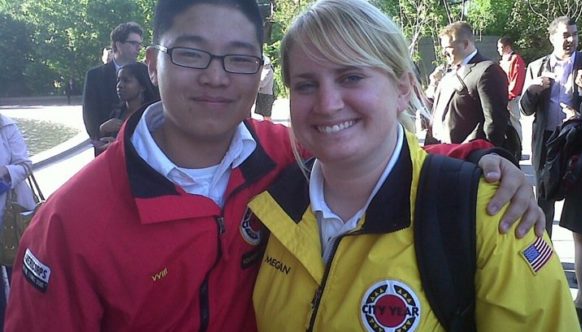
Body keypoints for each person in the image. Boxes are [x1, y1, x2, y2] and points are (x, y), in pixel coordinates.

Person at [5, 0, 545, 331]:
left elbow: (376, 152)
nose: (218, 77)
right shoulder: (70, 224)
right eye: (191, 54)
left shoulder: (280, 156)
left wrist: (483, 161)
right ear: (152, 62)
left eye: (239, 59)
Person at [249, 1, 578, 331]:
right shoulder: (276, 201)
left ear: (402, 89)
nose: (327, 103)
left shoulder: (491, 214)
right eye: (306, 84)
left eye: (351, 76)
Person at [520, 16, 582, 236]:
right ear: (552, 38)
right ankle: (544, 253)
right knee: (544, 200)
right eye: (566, 35)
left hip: (578, 141)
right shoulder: (536, 67)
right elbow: (525, 109)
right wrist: (532, 91)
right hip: (548, 142)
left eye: (575, 34)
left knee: (580, 204)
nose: (571, 40)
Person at [426, 21, 509, 148]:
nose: (443, 53)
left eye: (447, 48)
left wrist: (482, 155)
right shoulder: (448, 72)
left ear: (465, 44)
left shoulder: (487, 70)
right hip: (439, 151)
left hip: (467, 155)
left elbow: (494, 122)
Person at [82, 22, 144, 156]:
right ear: (118, 44)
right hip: (106, 150)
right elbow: (89, 114)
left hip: (140, 148)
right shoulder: (95, 75)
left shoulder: (146, 72)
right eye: (133, 43)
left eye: (140, 44)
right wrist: (100, 133)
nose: (139, 48)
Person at [0, 114, 36, 331]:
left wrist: (5, 172)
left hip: (11, 214)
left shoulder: (6, 126)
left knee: (17, 274)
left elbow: (25, 165)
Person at [96, 63, 159, 153]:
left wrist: (119, 146)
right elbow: (100, 154)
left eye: (126, 81)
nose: (119, 85)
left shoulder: (152, 116)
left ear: (142, 86)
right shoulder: (116, 113)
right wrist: (102, 130)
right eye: (118, 80)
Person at [498, 36, 526, 142]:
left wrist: (509, 96)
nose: (498, 50)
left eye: (500, 47)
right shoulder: (504, 60)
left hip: (512, 98)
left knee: (514, 123)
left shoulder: (516, 59)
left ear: (507, 47)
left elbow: (517, 80)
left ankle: (518, 147)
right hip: (505, 96)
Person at [254, 55, 276, 120]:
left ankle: (269, 129)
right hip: (262, 94)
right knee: (264, 115)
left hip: (266, 95)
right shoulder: (265, 69)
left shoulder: (268, 70)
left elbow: (262, 83)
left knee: (267, 116)